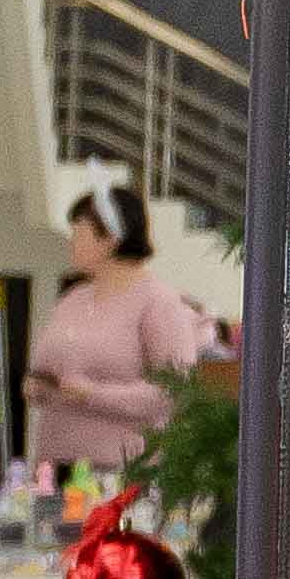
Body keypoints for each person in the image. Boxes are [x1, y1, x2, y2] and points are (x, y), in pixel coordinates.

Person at [24, 183, 218, 478]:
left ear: (110, 239)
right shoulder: (72, 299)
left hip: (122, 471)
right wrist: (39, 387)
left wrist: (92, 394)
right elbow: (48, 369)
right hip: (55, 467)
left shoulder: (158, 302)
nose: (71, 242)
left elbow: (174, 390)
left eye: (79, 233)